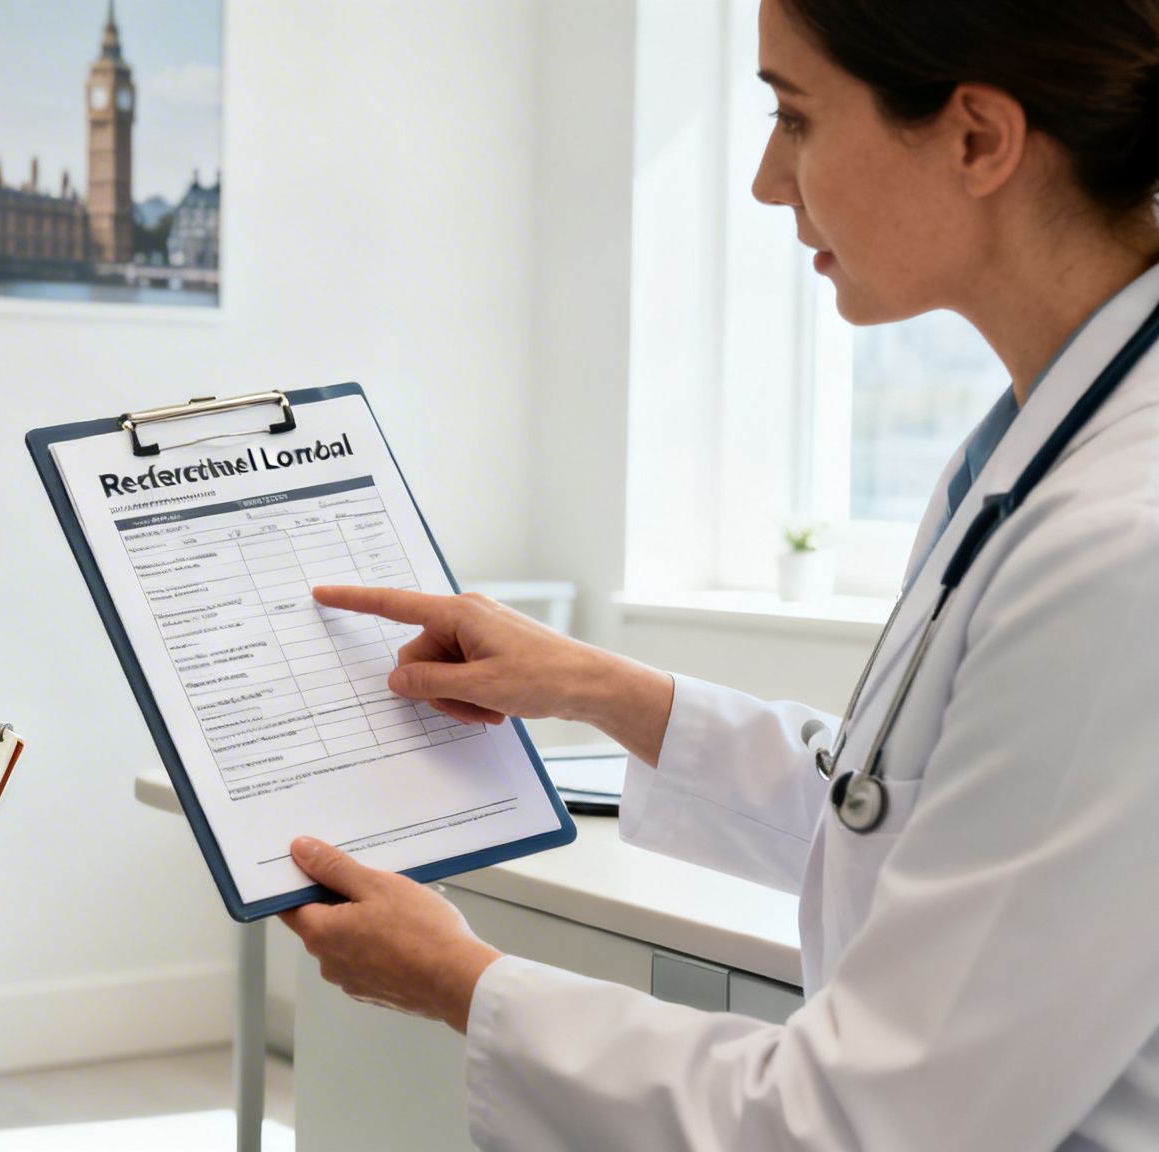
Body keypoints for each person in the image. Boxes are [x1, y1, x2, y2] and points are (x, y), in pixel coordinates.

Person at [282, 0, 1159, 1147]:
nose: (762, 178)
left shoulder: (1117, 545)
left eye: (792, 116)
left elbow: (869, 1122)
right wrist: (595, 689)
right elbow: (900, 817)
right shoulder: (1031, 450)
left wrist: (461, 980)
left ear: (976, 139)